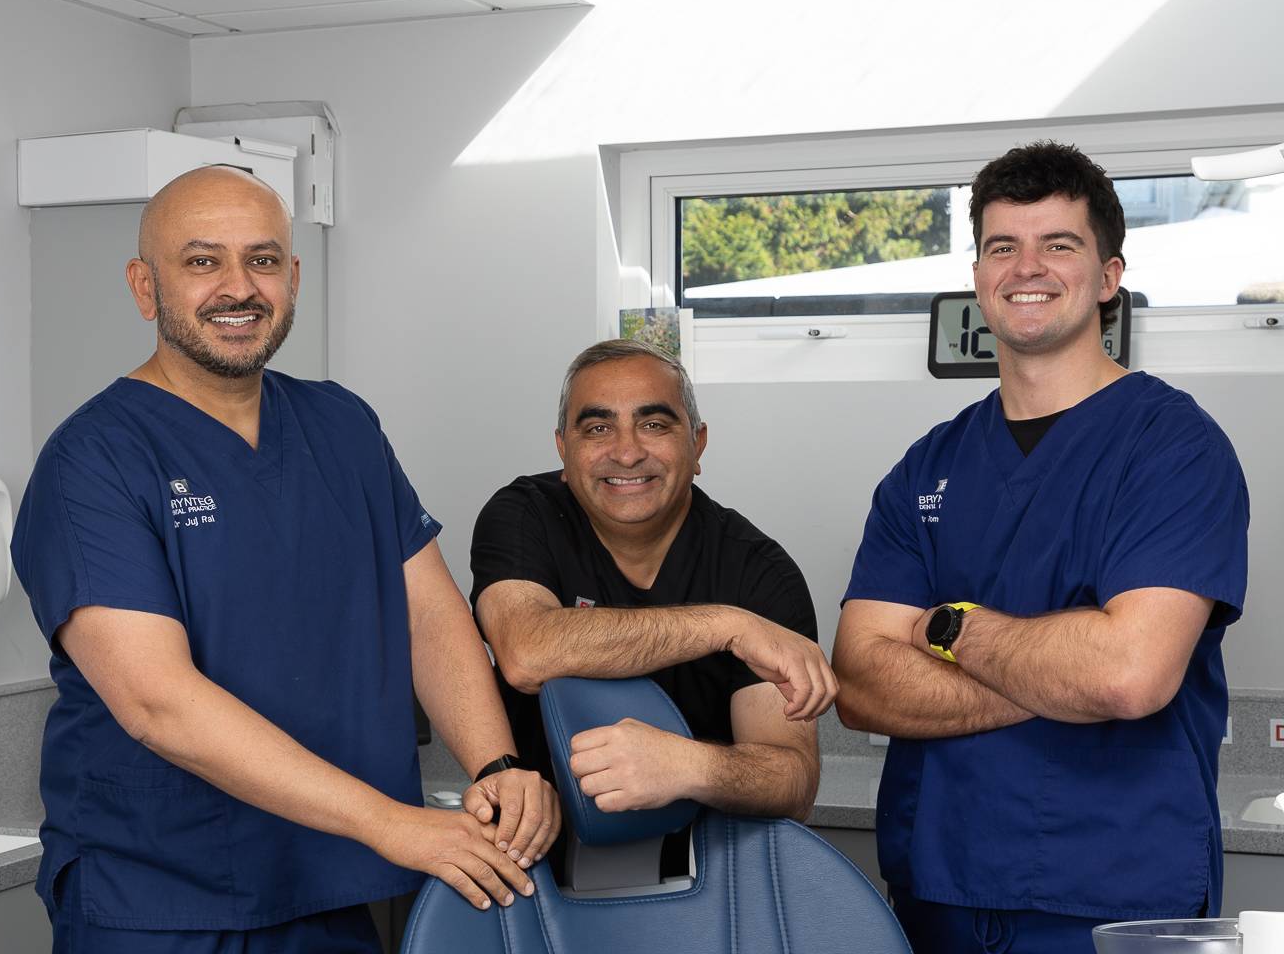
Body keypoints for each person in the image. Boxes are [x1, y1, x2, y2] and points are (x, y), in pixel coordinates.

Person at [12, 165, 559, 953]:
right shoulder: (93, 460)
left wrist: (496, 763)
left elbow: (430, 615)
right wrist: (391, 823)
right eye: (203, 261)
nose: (239, 287)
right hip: (161, 899)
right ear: (145, 286)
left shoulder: (342, 427)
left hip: (329, 884)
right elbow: (157, 702)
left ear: (293, 278)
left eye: (262, 259)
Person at [833, 141, 1249, 954]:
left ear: (1108, 276)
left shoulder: (1174, 449)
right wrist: (1062, 671)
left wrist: (945, 630)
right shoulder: (927, 467)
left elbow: (1129, 675)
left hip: (1119, 895)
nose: (1027, 267)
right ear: (978, 275)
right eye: (1002, 247)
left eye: (1059, 244)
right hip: (939, 889)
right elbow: (859, 683)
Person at [470, 338, 835, 874]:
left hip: (704, 874)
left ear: (698, 443)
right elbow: (526, 652)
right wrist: (725, 626)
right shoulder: (526, 516)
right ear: (563, 449)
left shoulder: (757, 571)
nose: (626, 453)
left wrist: (690, 766)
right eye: (597, 428)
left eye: (654, 424)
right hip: (527, 864)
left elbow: (793, 781)